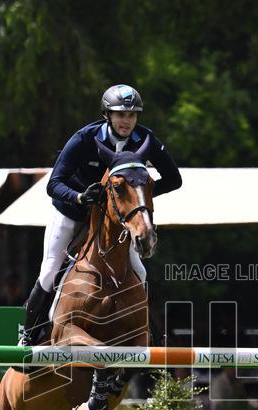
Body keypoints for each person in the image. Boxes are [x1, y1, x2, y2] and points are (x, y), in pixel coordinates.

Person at [20, 84, 182, 345]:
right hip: (73, 211)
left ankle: (140, 333)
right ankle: (27, 334)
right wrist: (80, 197)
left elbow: (174, 180)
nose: (126, 121)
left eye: (131, 115)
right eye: (120, 115)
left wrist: (135, 199)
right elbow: (54, 183)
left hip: (113, 220)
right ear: (107, 115)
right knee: (50, 269)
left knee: (139, 271)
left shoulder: (146, 140)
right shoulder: (85, 138)